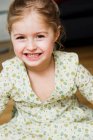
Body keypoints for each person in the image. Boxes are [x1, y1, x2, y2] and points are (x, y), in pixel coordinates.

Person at [0, 0, 93, 139]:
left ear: (56, 34)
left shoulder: (70, 65)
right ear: (11, 36)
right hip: (26, 129)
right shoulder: (10, 73)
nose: (31, 46)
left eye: (40, 36)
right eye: (20, 37)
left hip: (71, 125)